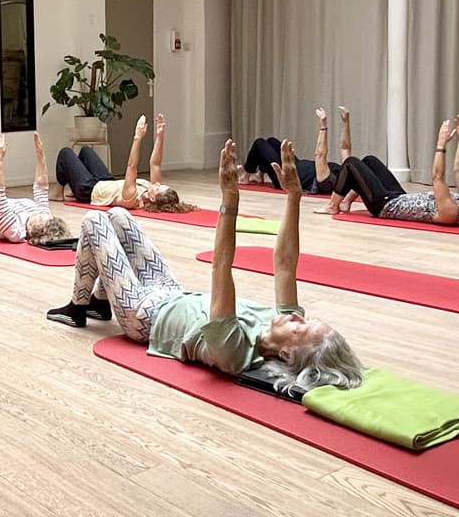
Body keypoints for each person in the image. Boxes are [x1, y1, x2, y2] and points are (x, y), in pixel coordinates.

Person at [47, 139, 365, 394]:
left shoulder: (233, 351)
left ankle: (78, 306)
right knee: (119, 216)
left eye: (300, 327)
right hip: (171, 292)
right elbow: (284, 264)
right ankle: (100, 303)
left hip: (142, 316)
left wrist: (229, 201)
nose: (298, 316)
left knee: (93, 221)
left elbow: (221, 268)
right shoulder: (281, 321)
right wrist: (294, 196)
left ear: (285, 355)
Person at [322, 108, 459, 231]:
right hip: (397, 197)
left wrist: (441, 144)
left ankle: (332, 205)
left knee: (352, 163)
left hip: (384, 206)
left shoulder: (452, 214)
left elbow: (437, 178)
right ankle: (347, 201)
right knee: (370, 161)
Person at [55, 114, 190, 212]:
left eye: (158, 187)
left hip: (88, 190)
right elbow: (155, 164)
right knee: (86, 151)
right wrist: (160, 135)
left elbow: (132, 166)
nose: (157, 183)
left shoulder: (132, 197)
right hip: (106, 182)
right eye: (161, 184)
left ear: (153, 198)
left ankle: (58, 192)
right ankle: (72, 186)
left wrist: (137, 137)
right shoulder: (151, 188)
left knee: (66, 153)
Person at [244, 107, 342, 193]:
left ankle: (245, 176)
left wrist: (323, 126)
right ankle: (259, 175)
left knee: (259, 143)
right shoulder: (341, 172)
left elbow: (320, 155)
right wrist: (346, 121)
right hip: (294, 165)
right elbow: (345, 149)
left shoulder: (328, 180)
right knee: (272, 141)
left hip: (285, 176)